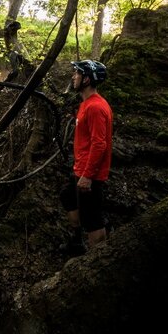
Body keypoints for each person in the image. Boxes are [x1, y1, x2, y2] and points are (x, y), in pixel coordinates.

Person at [61, 59, 113, 253]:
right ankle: (76, 242)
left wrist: (88, 176)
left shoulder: (96, 107)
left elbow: (100, 144)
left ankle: (98, 260)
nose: (73, 76)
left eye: (78, 73)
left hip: (90, 175)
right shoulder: (86, 104)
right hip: (80, 168)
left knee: (93, 220)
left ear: (87, 79)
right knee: (67, 196)